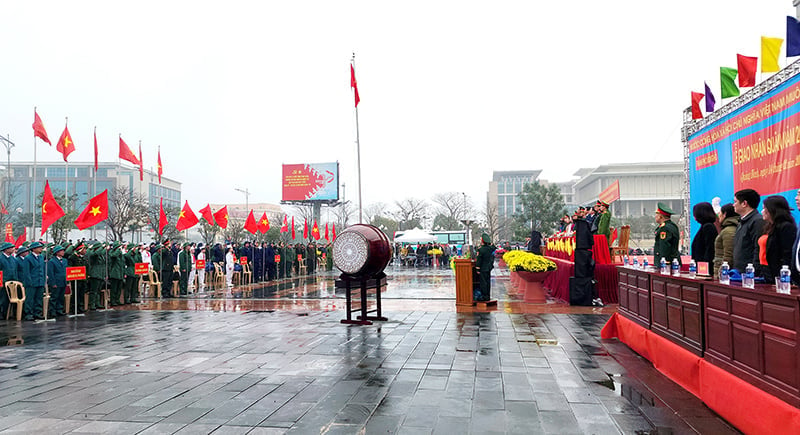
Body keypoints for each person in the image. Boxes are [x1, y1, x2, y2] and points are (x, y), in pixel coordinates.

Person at [757, 195, 797, 283]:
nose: (762, 211)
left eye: (764, 209)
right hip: (766, 271)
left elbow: (787, 254)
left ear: (772, 210)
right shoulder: (769, 227)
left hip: (779, 274)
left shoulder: (786, 227)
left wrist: (783, 276)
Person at [732, 188, 764, 272]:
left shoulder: (757, 221)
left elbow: (757, 248)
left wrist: (754, 271)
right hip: (739, 272)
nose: (733, 205)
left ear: (744, 203)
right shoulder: (741, 222)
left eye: (735, 202)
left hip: (749, 274)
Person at [691, 202, 718, 275]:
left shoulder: (708, 227)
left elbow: (710, 249)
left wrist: (704, 268)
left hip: (705, 268)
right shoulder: (704, 226)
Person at [713, 204, 739, 274]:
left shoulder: (729, 231)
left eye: (720, 213)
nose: (718, 216)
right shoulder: (727, 229)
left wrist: (722, 272)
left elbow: (728, 254)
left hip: (723, 272)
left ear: (725, 214)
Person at [22, 241, 46, 320]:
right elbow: (26, 272)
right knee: (30, 299)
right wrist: (29, 282)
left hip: (40, 281)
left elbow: (43, 269)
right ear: (34, 249)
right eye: (39, 247)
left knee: (39, 298)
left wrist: (44, 279)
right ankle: (29, 314)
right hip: (31, 282)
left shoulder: (41, 257)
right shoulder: (28, 258)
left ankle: (37, 313)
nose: (41, 249)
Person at [47, 245, 68, 316]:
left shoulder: (65, 260)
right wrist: (53, 283)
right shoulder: (52, 261)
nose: (63, 252)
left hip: (63, 281)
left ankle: (59, 309)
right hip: (56, 281)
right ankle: (52, 311)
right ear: (57, 252)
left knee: (61, 297)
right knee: (54, 297)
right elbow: (50, 273)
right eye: (61, 251)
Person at [475, 233, 496, 302]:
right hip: (488, 268)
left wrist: (477, 268)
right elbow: (494, 247)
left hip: (483, 268)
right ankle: (488, 295)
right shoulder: (490, 249)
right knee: (487, 282)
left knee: (483, 283)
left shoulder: (481, 250)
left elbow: (479, 260)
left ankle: (484, 296)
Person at [0, 242, 16, 316]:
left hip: (12, 282)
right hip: (3, 282)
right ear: (6, 250)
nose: (13, 249)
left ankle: (8, 314)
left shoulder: (13, 258)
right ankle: (2, 314)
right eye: (11, 248)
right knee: (3, 299)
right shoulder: (1, 258)